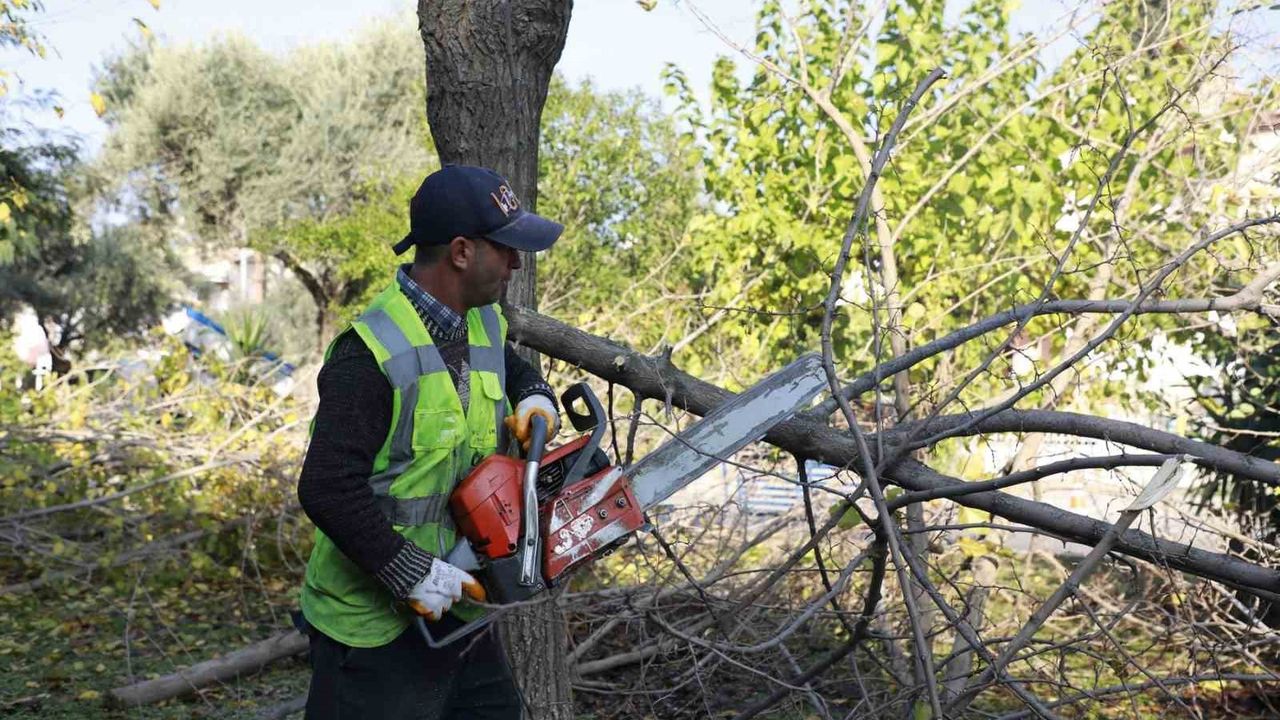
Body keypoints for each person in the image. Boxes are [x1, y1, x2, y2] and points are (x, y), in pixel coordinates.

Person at [297, 165, 563, 719]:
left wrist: (534, 395)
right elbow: (326, 487)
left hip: (458, 606)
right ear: (462, 252)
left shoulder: (480, 321)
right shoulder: (369, 354)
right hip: (371, 626)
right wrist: (409, 570)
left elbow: (511, 368)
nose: (516, 263)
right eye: (506, 249)